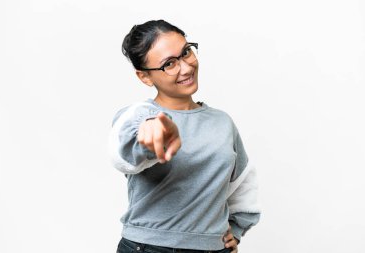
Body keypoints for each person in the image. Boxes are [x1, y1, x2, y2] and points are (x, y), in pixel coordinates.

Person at [109, 20, 261, 253]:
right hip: (149, 248)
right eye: (169, 64)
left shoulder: (222, 122)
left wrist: (236, 229)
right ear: (145, 77)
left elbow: (242, 183)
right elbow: (124, 152)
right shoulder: (140, 116)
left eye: (186, 52)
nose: (186, 67)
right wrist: (151, 136)